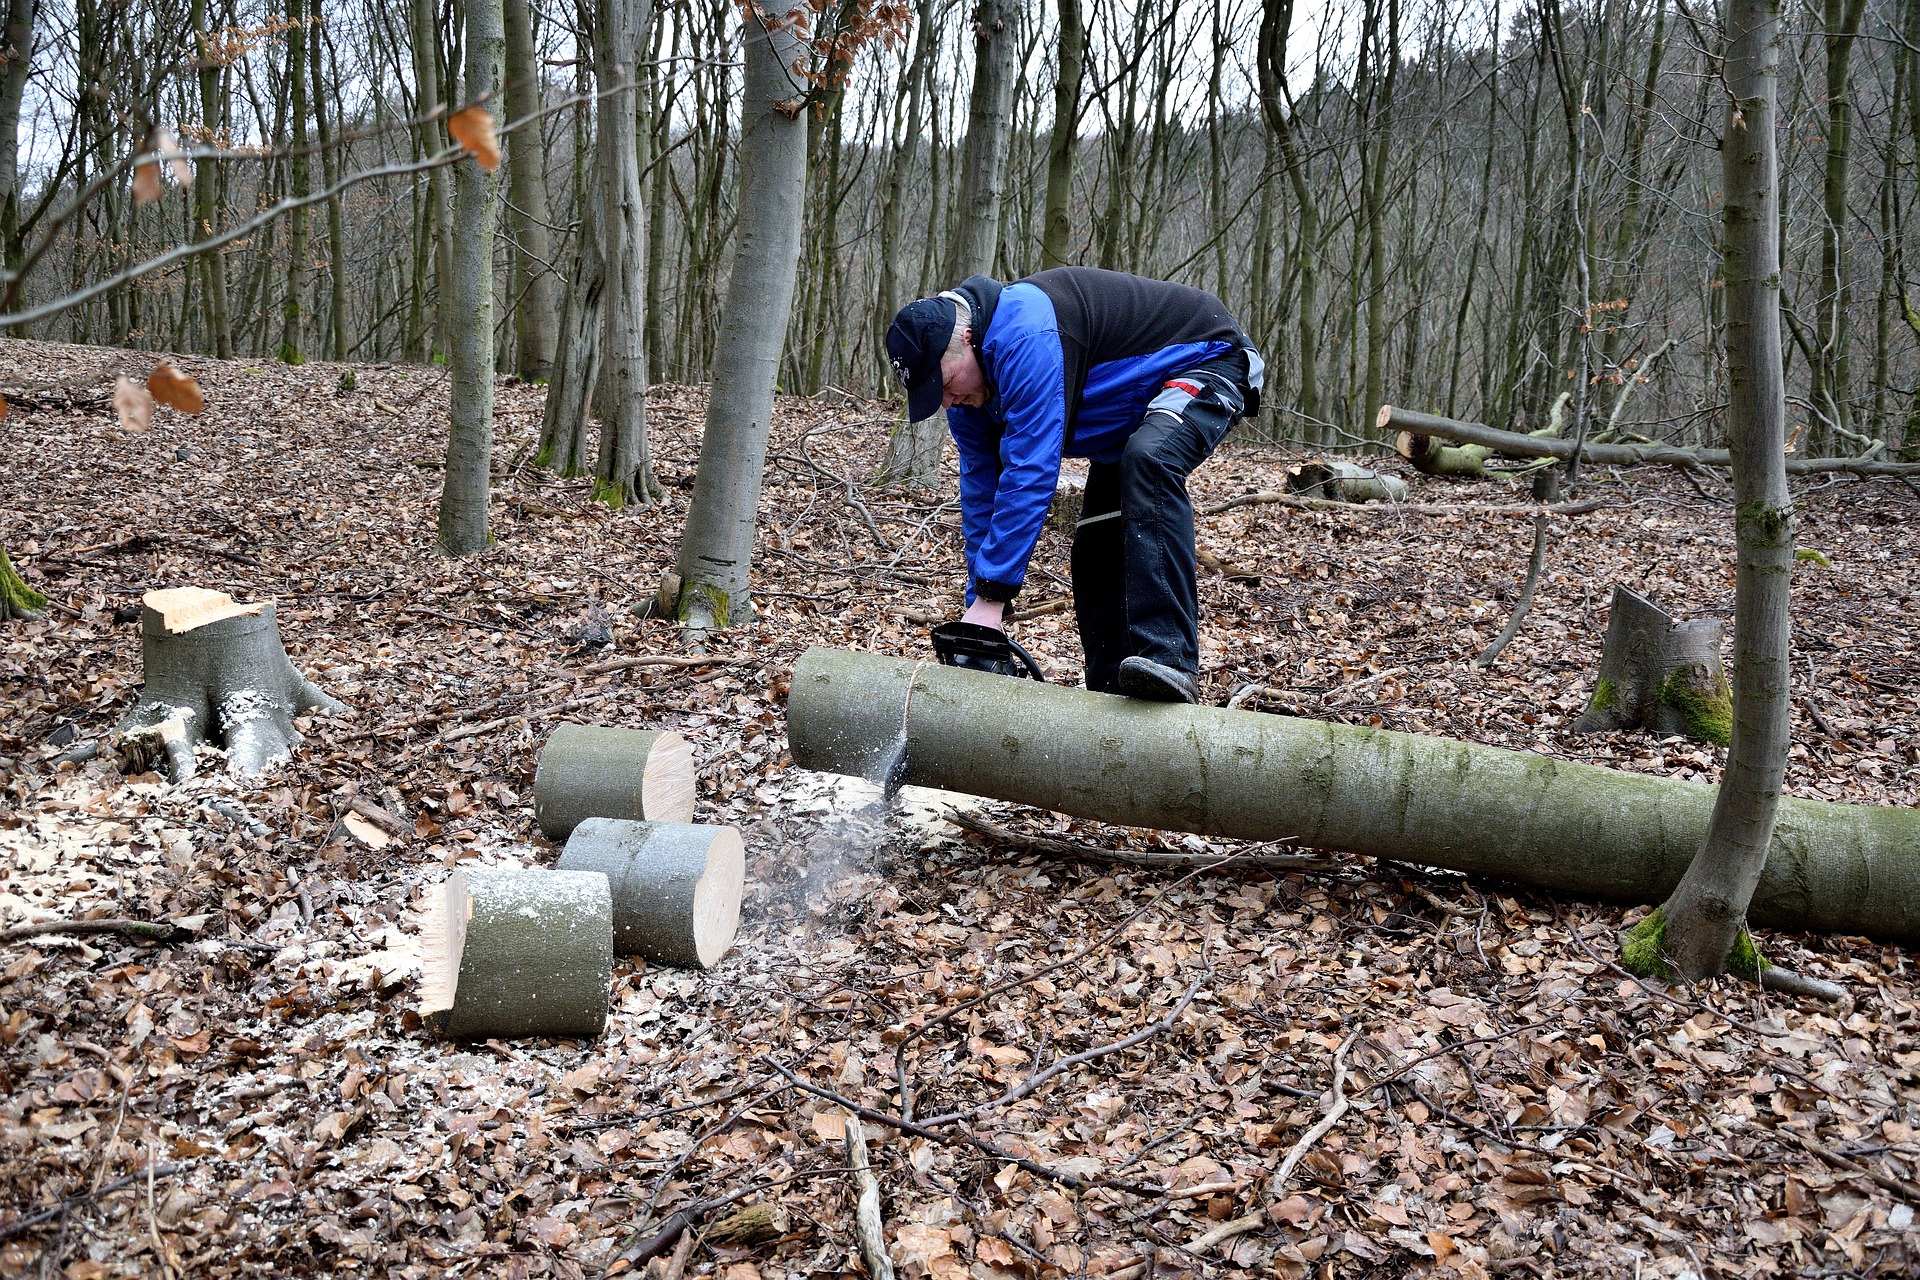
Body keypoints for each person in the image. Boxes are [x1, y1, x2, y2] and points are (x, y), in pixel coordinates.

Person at [886, 267, 1263, 703]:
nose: (948, 402)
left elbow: (1029, 472)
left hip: (1209, 359)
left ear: (968, 338)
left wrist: (994, 594)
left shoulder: (1024, 334)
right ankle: (1110, 697)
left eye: (947, 385)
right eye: (937, 395)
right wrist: (981, 610)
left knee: (1152, 461)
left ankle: (1171, 660)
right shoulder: (967, 398)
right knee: (1094, 548)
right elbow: (981, 493)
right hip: (1127, 417)